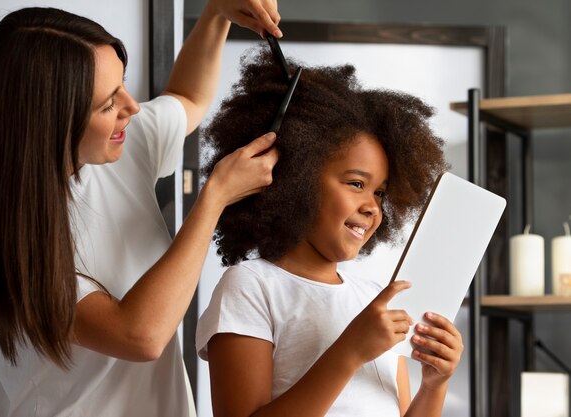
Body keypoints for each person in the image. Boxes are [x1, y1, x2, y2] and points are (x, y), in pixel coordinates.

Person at [0, 2, 281, 416]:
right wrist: (212, 199)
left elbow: (188, 98)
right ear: (50, 121)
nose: (132, 107)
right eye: (108, 104)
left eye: (123, 85)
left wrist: (215, 14)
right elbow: (138, 335)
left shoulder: (117, 145)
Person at [196, 47, 464, 417]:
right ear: (298, 180)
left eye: (380, 192)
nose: (372, 207)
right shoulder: (252, 286)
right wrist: (351, 350)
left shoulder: (377, 299)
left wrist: (435, 384)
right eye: (356, 184)